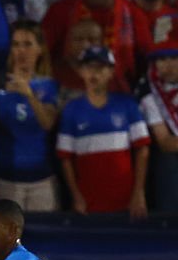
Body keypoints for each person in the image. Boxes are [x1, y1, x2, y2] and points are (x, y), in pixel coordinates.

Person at [0, 20, 60, 213]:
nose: (21, 51)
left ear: (40, 49)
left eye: (28, 44)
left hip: (41, 180)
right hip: (5, 179)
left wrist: (28, 94)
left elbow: (48, 123)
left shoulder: (48, 86)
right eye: (16, 44)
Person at [57, 45, 150, 216]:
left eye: (100, 68)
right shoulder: (71, 110)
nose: (94, 73)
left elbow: (142, 149)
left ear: (111, 72)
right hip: (88, 202)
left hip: (125, 201)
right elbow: (65, 158)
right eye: (88, 67)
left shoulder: (128, 105)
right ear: (81, 71)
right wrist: (76, 196)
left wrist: (139, 193)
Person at [42, 0, 152, 95]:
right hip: (66, 94)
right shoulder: (60, 11)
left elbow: (148, 62)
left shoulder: (133, 14)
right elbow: (39, 54)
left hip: (117, 97)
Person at [139, 36, 178, 211]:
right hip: (170, 157)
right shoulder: (149, 93)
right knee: (167, 162)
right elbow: (165, 143)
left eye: (174, 59)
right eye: (162, 59)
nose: (168, 65)